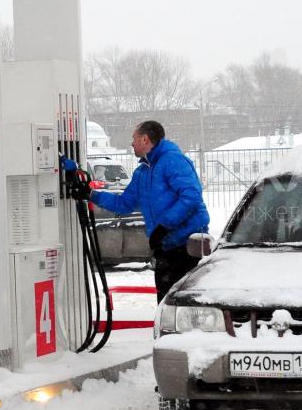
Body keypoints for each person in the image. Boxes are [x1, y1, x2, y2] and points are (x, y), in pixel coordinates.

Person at [74, 121, 210, 301]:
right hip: (166, 246)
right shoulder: (143, 173)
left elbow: (191, 196)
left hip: (187, 246)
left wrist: (164, 226)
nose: (132, 143)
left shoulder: (172, 161)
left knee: (185, 303)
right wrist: (91, 194)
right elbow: (124, 203)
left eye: (134, 138)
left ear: (145, 139)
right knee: (166, 301)